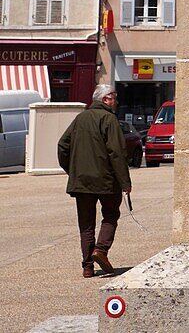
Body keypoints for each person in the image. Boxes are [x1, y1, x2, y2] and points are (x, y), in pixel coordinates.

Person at [57, 83, 131, 278]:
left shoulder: (80, 118)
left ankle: (88, 267)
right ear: (105, 99)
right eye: (113, 97)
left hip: (82, 182)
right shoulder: (109, 119)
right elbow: (117, 153)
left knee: (86, 224)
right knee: (111, 216)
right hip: (106, 181)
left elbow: (63, 145)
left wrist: (72, 170)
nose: (116, 101)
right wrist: (125, 182)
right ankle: (101, 250)